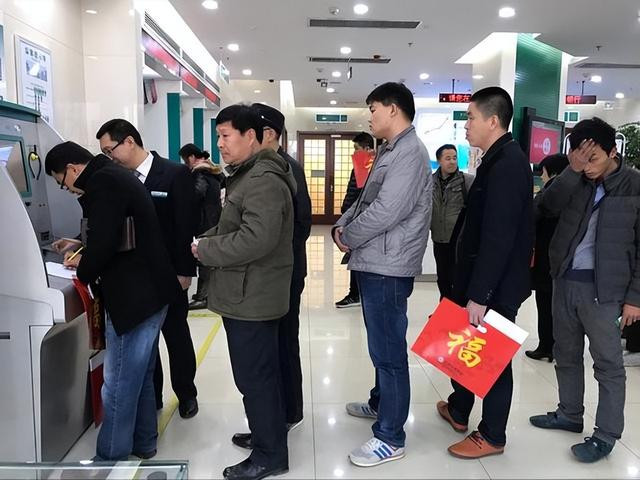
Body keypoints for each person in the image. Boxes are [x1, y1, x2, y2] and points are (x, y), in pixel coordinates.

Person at [46, 142, 181, 461]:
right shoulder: (113, 175)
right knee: (140, 375)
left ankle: (110, 456)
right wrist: (81, 246)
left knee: (119, 381)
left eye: (61, 181)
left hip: (134, 296)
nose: (66, 189)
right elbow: (120, 231)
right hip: (152, 291)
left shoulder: (103, 183)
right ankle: (143, 443)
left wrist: (82, 267)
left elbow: (105, 242)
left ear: (73, 169)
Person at [193, 104, 296, 480]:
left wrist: (206, 250)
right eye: (218, 136)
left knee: (256, 377)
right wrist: (205, 240)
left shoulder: (262, 179)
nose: (220, 144)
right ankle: (266, 435)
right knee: (259, 374)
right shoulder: (247, 174)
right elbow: (233, 226)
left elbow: (257, 239)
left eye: (225, 136)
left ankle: (270, 455)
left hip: (253, 295)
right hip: (247, 291)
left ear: (250, 136)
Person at [530, 117, 640, 463]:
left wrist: (635, 299)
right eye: (579, 157)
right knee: (566, 352)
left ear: (612, 152)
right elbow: (545, 207)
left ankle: (606, 435)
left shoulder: (634, 185)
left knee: (607, 364)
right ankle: (569, 413)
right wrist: (572, 170)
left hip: (606, 291)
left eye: (593, 158)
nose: (587, 165)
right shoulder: (574, 179)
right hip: (565, 281)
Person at [333, 82, 432, 467]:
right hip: (374, 260)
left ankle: (391, 436)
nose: (369, 117)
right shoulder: (390, 149)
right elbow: (364, 200)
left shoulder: (410, 152)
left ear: (393, 109)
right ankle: (380, 403)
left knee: (389, 353)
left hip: (388, 266)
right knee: (380, 347)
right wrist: (341, 225)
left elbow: (387, 211)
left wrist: (349, 237)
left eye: (373, 109)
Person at [438, 87, 533, 459]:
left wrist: (480, 294)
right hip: (479, 279)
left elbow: (499, 237)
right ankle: (459, 409)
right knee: (464, 344)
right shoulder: (495, 158)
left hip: (496, 286)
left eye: (471, 117)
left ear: (493, 121)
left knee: (493, 358)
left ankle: (493, 435)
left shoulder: (508, 164)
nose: (465, 125)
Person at [96, 119, 199, 419]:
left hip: (170, 274)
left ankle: (187, 394)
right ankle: (152, 396)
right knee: (145, 343)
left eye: (110, 150)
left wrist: (185, 272)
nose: (109, 157)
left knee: (176, 336)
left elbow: (185, 225)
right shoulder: (117, 179)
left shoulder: (174, 173)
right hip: (134, 279)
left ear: (129, 141)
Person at [525, 153, 569, 362]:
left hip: (546, 257)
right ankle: (557, 346)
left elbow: (533, 216)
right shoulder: (576, 191)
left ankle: (546, 346)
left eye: (542, 172)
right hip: (564, 259)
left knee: (545, 303)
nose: (541, 177)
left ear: (552, 172)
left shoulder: (551, 191)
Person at [178, 143, 225, 310]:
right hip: (215, 218)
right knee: (209, 256)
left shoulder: (200, 172)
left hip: (204, 220)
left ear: (192, 157)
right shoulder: (213, 171)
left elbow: (197, 193)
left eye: (185, 160)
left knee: (203, 257)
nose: (185, 164)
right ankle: (209, 294)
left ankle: (203, 296)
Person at [335, 132, 375, 309]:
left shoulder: (368, 165)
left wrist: (348, 216)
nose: (354, 152)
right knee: (355, 257)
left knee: (357, 258)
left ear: (366, 148)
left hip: (359, 220)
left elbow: (359, 197)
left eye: (356, 148)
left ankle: (356, 294)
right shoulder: (363, 165)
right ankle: (357, 293)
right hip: (353, 217)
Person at [430, 144, 474, 300]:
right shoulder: (429, 182)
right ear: (439, 161)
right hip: (439, 239)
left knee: (459, 279)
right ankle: (445, 308)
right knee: (443, 279)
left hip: (459, 241)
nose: (452, 162)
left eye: (454, 158)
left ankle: (458, 309)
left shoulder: (467, 181)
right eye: (447, 158)